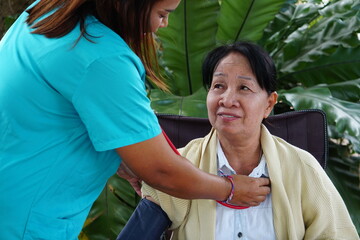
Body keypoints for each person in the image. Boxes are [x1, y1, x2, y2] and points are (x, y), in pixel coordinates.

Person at [0, 1, 272, 239]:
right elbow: (161, 171)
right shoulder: (101, 58)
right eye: (163, 13)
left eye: (245, 89)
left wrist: (123, 156)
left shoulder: (46, 13)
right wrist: (230, 189)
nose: (164, 24)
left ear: (270, 103)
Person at [117, 41, 358, 240]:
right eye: (218, 85)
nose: (227, 99)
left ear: (269, 104)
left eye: (244, 88)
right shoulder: (177, 166)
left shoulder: (302, 168)